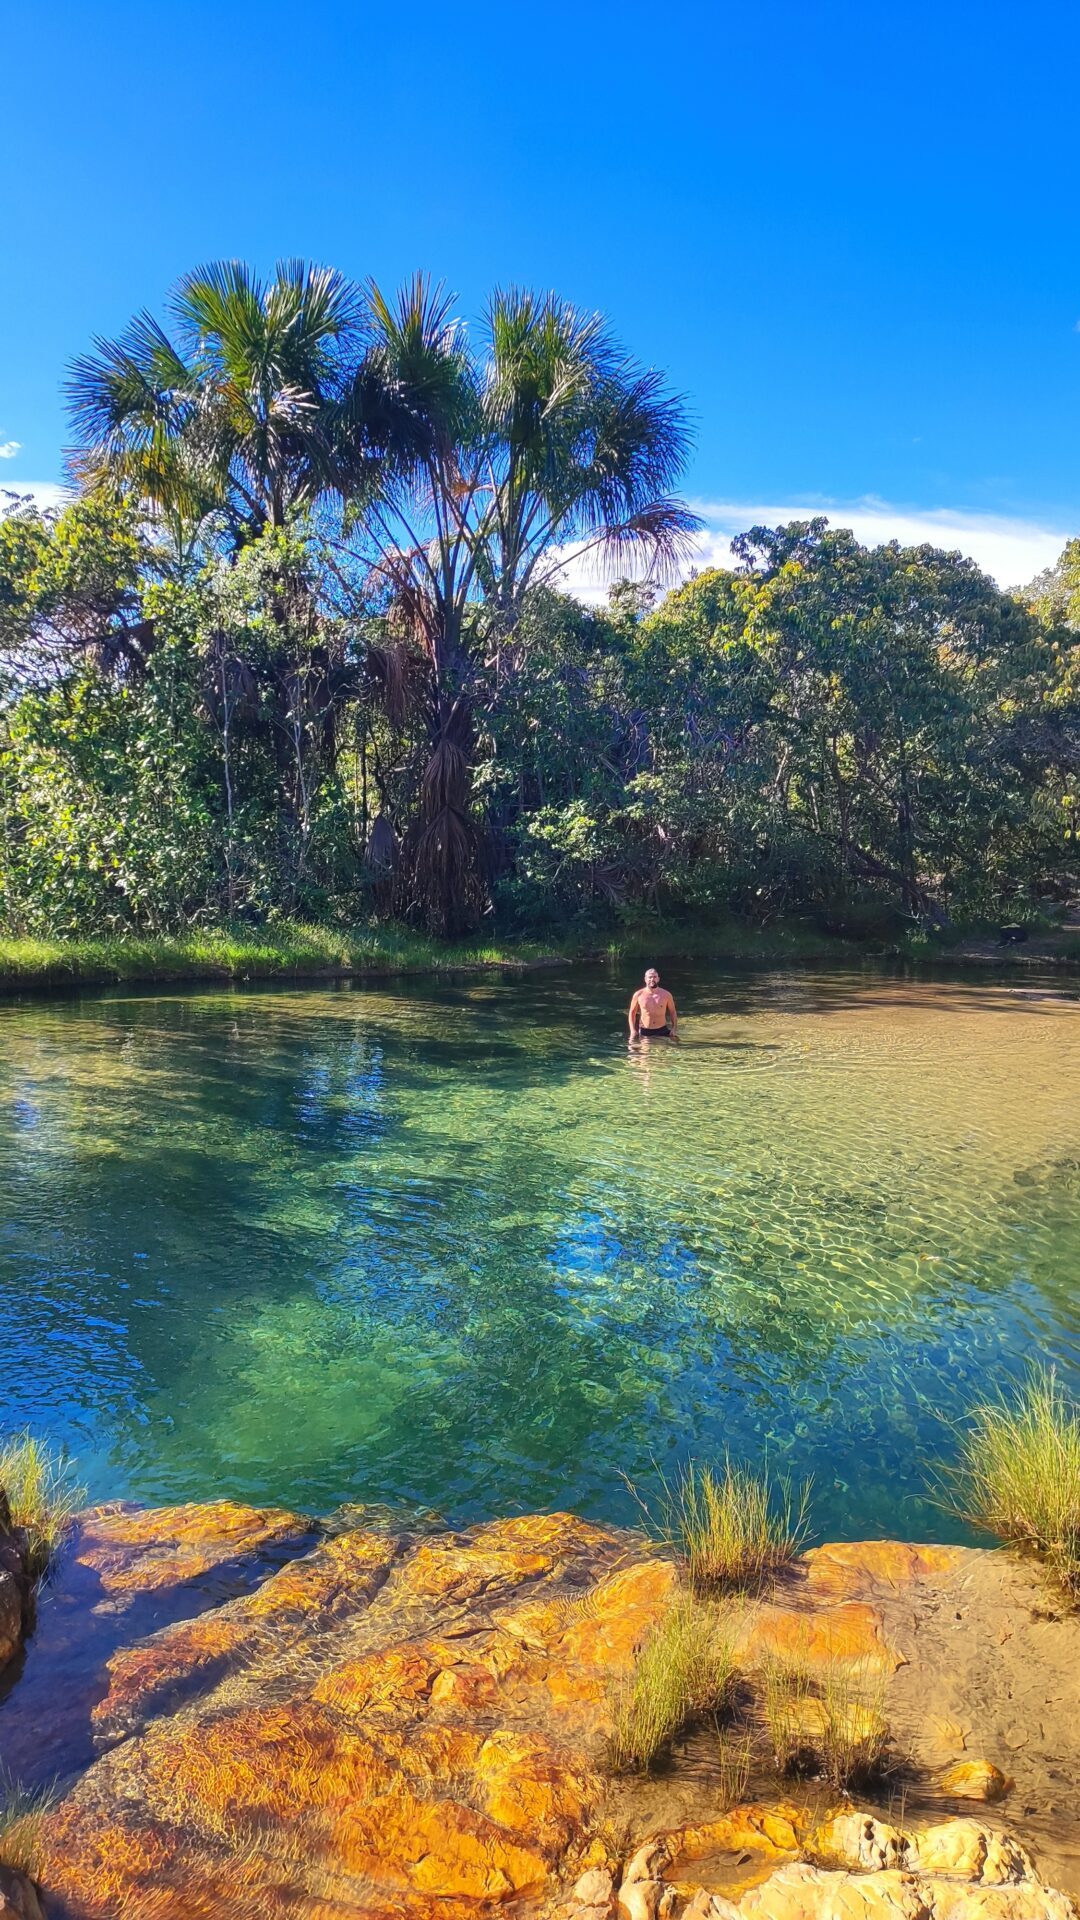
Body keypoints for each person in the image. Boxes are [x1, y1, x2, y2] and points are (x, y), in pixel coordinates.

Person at [628, 967, 678, 1041]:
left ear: (658, 979)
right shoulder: (638, 995)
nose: (652, 979)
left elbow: (673, 1012)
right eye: (650, 977)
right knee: (644, 1052)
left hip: (662, 1030)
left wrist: (674, 1028)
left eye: (654, 977)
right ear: (645, 979)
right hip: (645, 1031)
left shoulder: (666, 995)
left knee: (673, 1047)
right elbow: (632, 1013)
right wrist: (632, 1030)